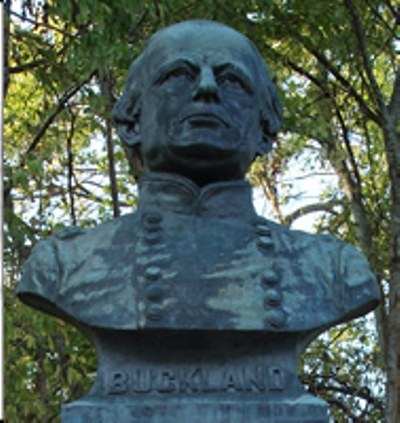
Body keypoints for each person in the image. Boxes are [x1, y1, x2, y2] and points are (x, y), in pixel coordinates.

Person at [18, 20, 379, 338]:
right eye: (178, 75)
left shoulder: (331, 270)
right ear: (131, 122)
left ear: (265, 130)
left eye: (232, 80)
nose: (207, 88)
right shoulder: (63, 265)